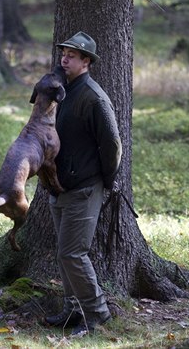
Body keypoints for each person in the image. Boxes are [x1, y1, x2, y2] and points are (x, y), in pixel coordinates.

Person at [44, 31, 122, 336]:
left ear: (86, 62)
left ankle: (97, 314)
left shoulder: (94, 97)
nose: (64, 58)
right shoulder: (62, 89)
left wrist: (107, 179)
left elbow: (112, 144)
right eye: (64, 53)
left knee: (72, 254)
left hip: (85, 188)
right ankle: (72, 309)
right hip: (58, 187)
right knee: (64, 252)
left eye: (72, 55)